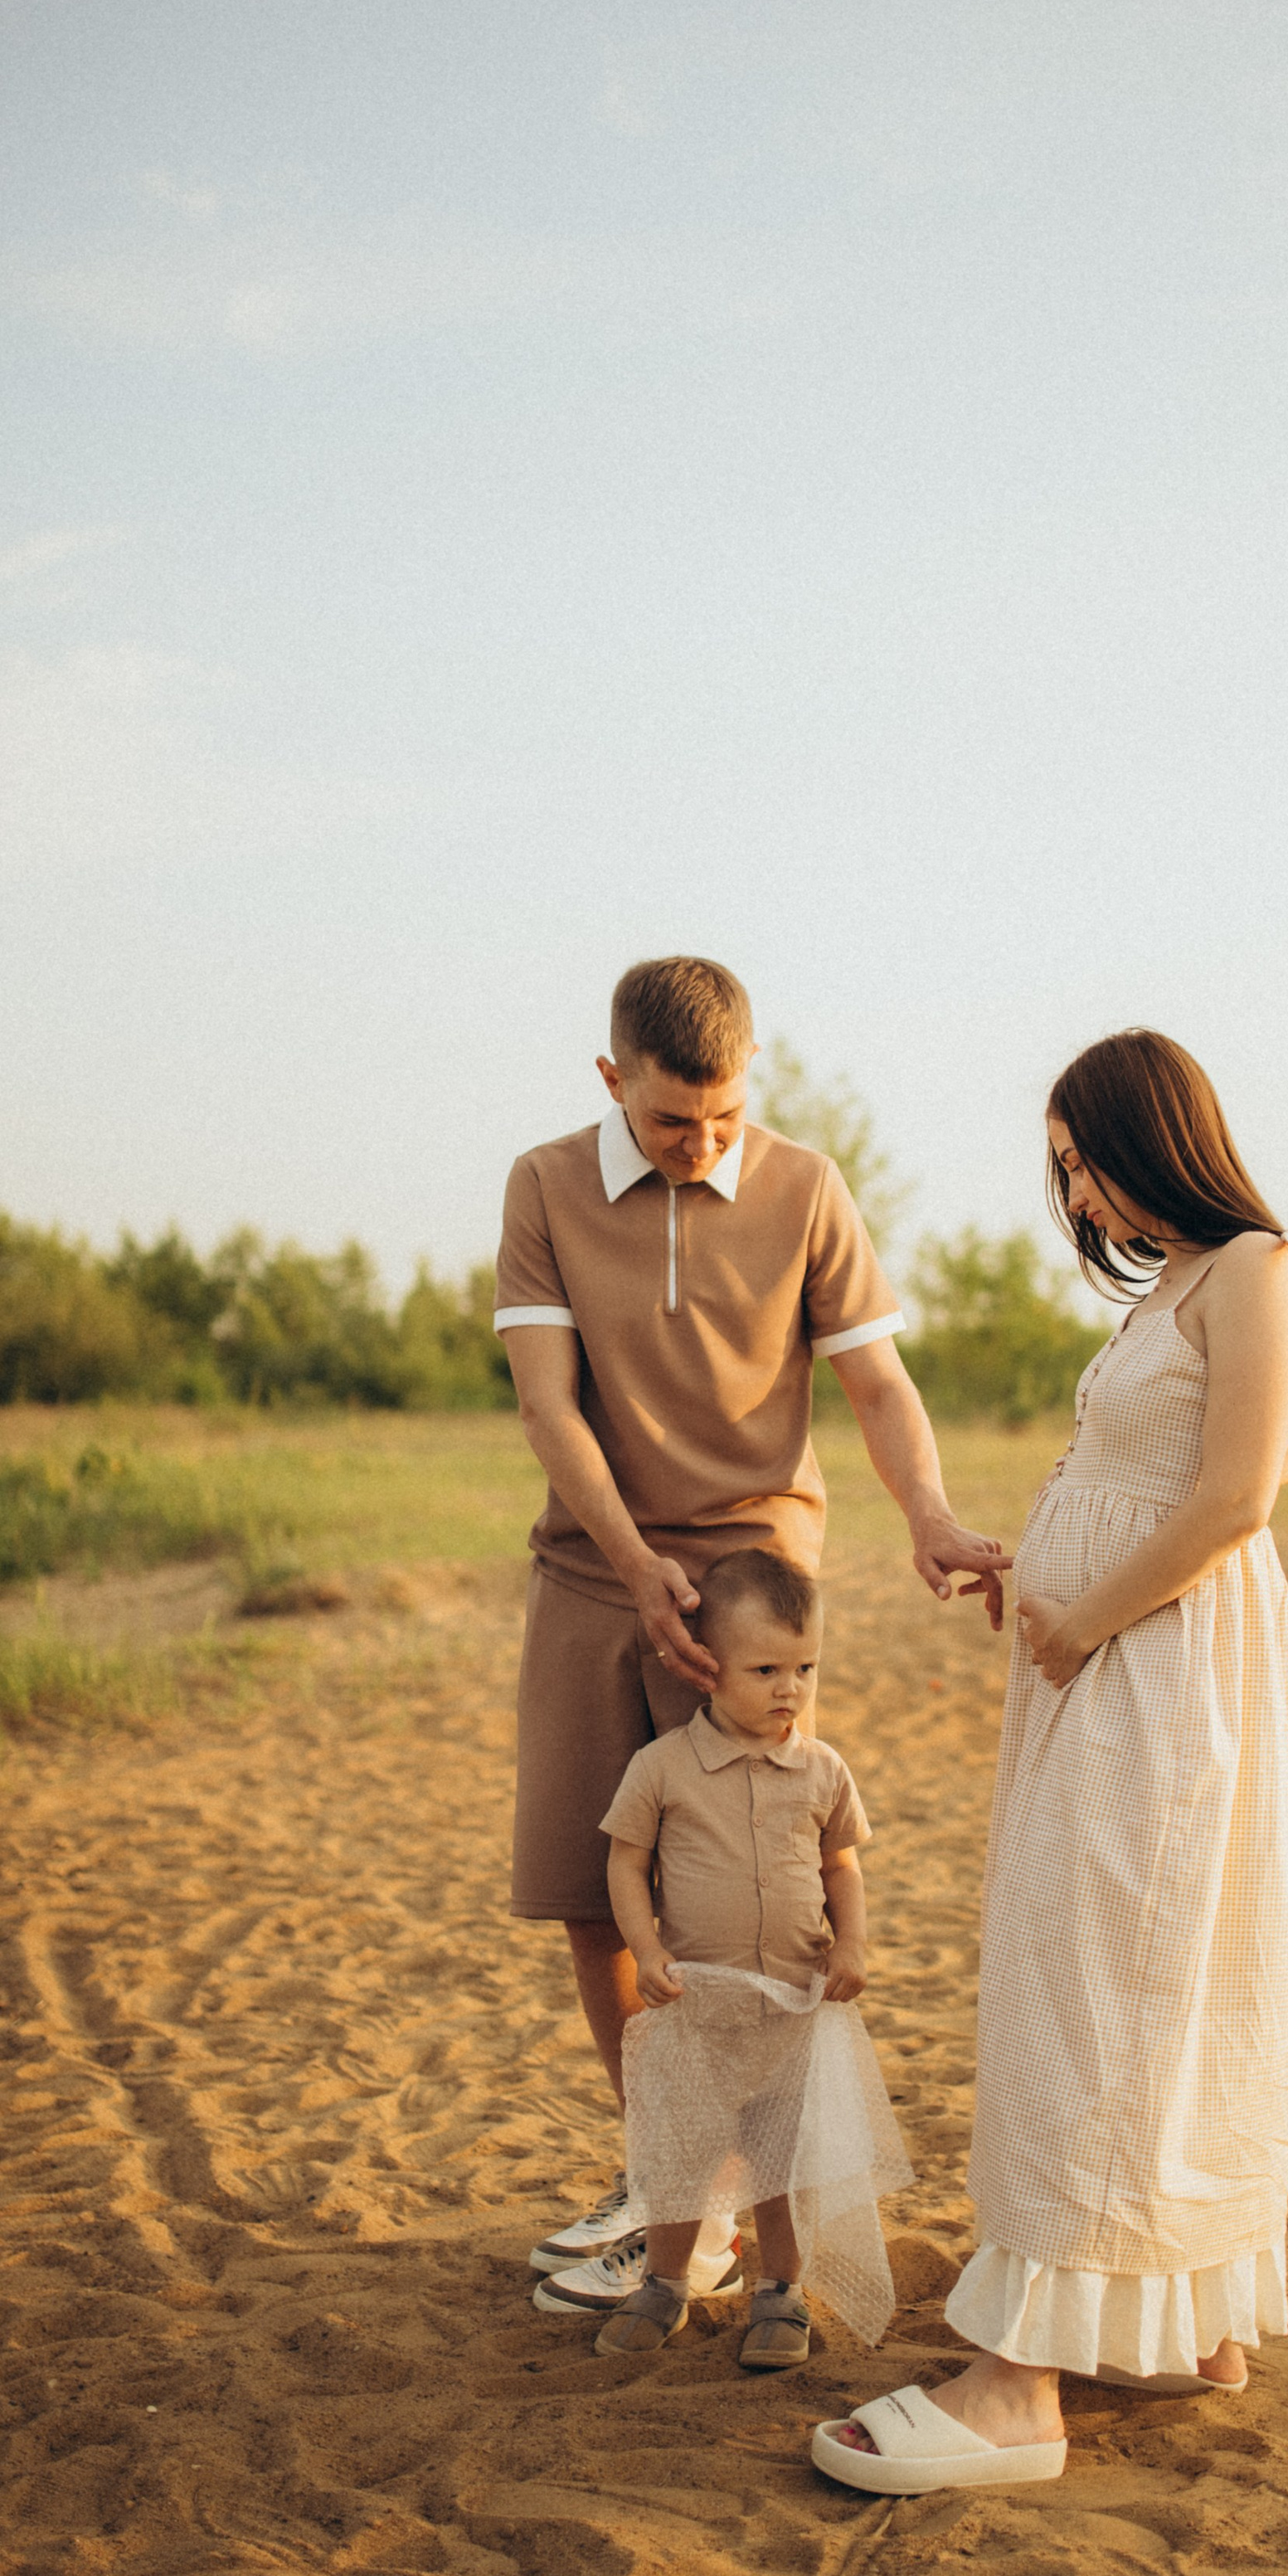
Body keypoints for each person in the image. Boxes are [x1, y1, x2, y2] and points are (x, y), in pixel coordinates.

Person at [811, 1029, 1288, 2492]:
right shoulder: (1174, 1288)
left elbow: (1234, 1493)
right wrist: (1025, 1566)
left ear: (1149, 1136)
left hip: (1156, 1678)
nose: (1076, 1194)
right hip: (1102, 1668)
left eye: (1080, 1158)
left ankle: (1017, 2388)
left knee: (1114, 1987)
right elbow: (1132, 1477)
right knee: (1112, 1980)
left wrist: (1085, 1614)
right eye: (1065, 1170)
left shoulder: (1257, 1269)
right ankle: (1184, 2325)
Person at [497, 955, 1004, 2314]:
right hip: (597, 1571)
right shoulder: (544, 1187)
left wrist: (931, 1514)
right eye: (673, 1120)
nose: (704, 1144)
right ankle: (673, 2169)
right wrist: (630, 1559)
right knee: (590, 1887)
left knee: (745, 1905)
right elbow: (551, 1410)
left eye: (724, 1117)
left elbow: (879, 1384)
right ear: (612, 1082)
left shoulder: (804, 1189)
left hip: (755, 1582)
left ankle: (726, 2205)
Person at [590, 1549, 907, 2368]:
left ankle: (780, 2293)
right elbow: (625, 1863)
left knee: (785, 2158)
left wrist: (853, 1943)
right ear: (705, 1669)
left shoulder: (821, 1770)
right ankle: (664, 2283)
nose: (788, 1689)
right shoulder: (662, 1769)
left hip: (793, 2010)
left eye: (804, 1667)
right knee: (681, 2154)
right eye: (765, 1668)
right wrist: (647, 1948)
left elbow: (842, 1866)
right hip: (697, 2011)